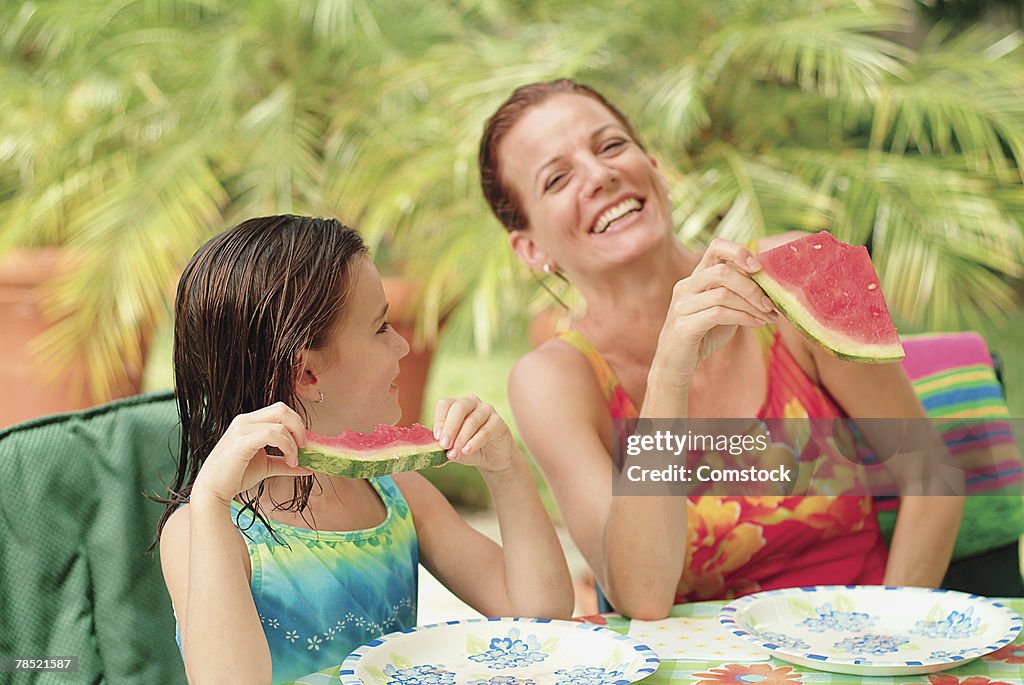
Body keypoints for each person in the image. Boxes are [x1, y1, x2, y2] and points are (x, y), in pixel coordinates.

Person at [478, 79, 965, 619]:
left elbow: (932, 479)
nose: (600, 174)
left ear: (654, 166)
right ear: (530, 248)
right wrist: (671, 371)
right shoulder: (553, 381)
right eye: (558, 178)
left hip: (867, 640)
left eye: (612, 145)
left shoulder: (796, 271)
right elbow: (641, 595)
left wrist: (885, 641)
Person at [153, 215, 573, 684]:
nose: (403, 344)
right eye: (381, 328)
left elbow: (539, 613)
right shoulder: (200, 529)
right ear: (308, 374)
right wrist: (210, 503)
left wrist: (506, 471)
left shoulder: (395, 494)